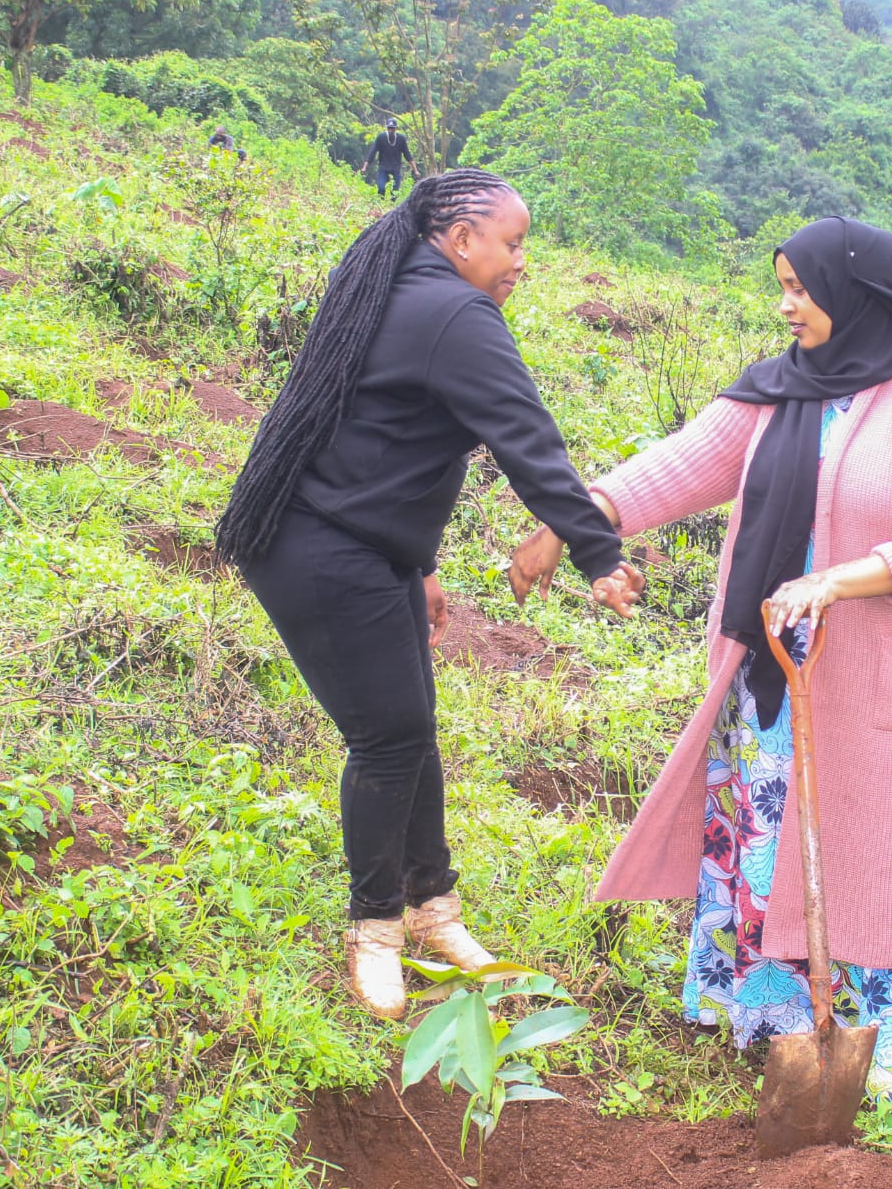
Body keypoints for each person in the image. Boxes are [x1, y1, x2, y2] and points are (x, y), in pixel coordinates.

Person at [511, 217, 892, 1130]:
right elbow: (680, 464)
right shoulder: (783, 387)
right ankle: (771, 1014)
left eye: (800, 288)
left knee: (878, 846)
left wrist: (836, 581)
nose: (785, 305)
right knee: (772, 833)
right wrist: (573, 520)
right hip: (773, 668)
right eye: (779, 284)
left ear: (856, 293)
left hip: (878, 677)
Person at [216, 168, 646, 1021]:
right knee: (389, 736)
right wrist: (598, 550)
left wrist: (417, 561)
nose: (521, 260)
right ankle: (375, 928)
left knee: (411, 727)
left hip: (348, 537)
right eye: (511, 243)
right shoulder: (456, 313)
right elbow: (527, 439)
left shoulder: (400, 282)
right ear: (459, 239)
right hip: (321, 548)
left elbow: (378, 433)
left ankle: (434, 907)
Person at [358, 118, 419, 199]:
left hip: (395, 168)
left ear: (396, 128)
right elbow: (372, 152)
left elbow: (407, 155)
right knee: (381, 188)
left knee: (394, 192)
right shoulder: (381, 137)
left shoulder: (401, 139)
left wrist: (415, 170)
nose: (390, 130)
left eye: (392, 128)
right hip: (383, 167)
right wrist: (364, 167)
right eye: (389, 128)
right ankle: (381, 206)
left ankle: (392, 208)